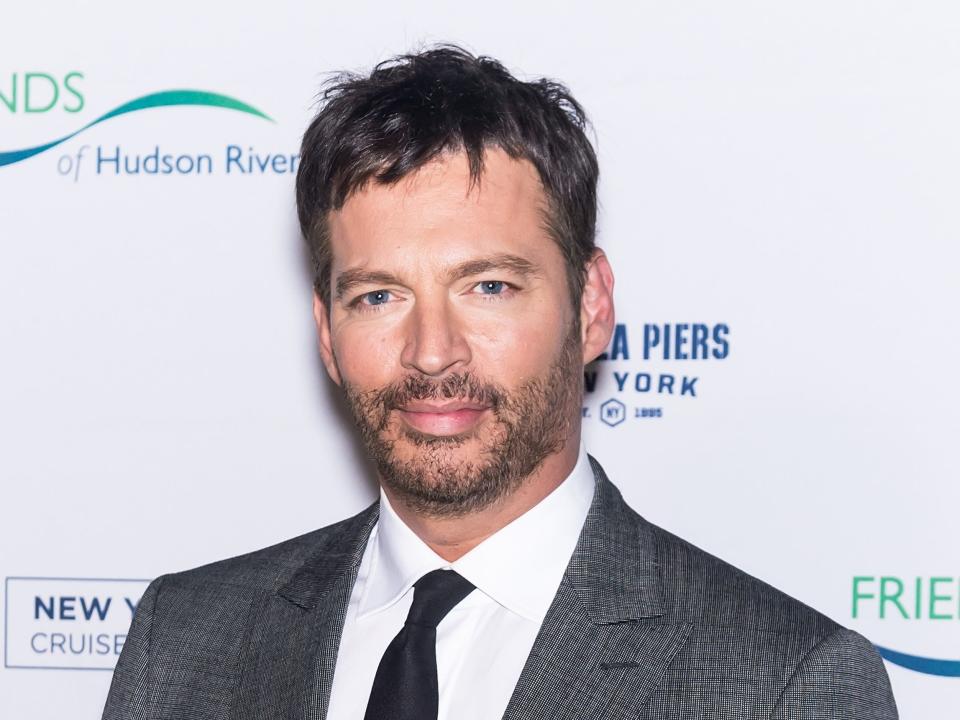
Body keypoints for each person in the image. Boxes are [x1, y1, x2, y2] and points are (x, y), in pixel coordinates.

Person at [102, 45, 898, 720]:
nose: (432, 352)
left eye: (488, 286)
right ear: (327, 333)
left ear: (590, 308)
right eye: (380, 296)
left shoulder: (785, 685)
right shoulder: (181, 647)